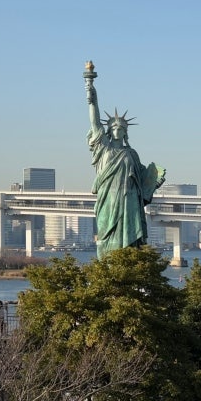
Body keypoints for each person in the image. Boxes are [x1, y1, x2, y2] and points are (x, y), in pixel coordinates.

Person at [84, 61, 166, 257]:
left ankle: (130, 266)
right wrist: (90, 89)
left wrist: (154, 183)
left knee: (130, 242)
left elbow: (141, 183)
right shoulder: (103, 147)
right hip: (108, 198)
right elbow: (94, 121)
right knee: (107, 234)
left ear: (125, 132)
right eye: (114, 128)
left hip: (129, 200)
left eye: (121, 129)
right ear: (109, 131)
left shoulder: (132, 154)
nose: (117, 131)